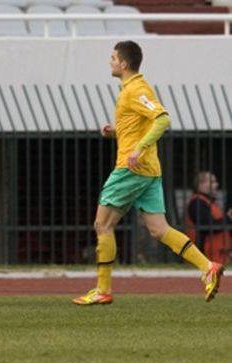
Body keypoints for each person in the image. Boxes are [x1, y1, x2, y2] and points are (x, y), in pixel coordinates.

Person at [73, 41, 223, 305]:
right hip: (149, 170)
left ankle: (102, 290)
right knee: (159, 229)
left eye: (112, 57)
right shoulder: (131, 90)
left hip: (131, 169)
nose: (109, 61)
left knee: (102, 225)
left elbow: (163, 119)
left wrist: (137, 149)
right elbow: (139, 126)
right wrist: (115, 132)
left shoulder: (136, 89)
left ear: (123, 63)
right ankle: (208, 267)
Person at [185, 171, 232, 265]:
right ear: (200, 185)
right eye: (212, 182)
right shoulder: (197, 202)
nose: (216, 185)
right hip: (206, 257)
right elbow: (206, 225)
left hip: (218, 255)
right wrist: (228, 218)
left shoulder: (208, 203)